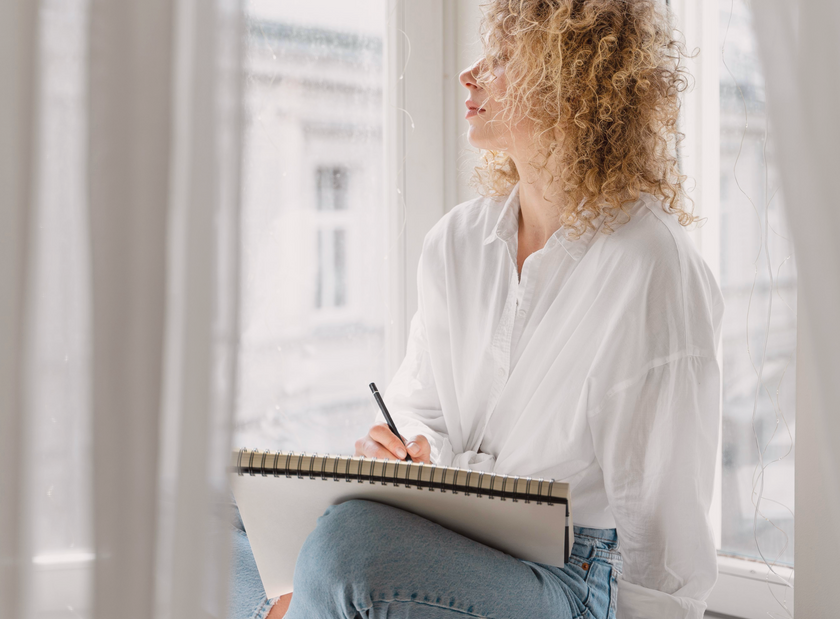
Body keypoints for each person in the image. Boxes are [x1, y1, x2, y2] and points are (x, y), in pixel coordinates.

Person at [229, 1, 723, 617]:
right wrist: (412, 451)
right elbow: (421, 410)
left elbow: (667, 539)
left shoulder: (653, 266)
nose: (469, 74)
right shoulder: (457, 242)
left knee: (346, 551)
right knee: (208, 525)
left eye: (503, 59)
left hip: (569, 575)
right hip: (451, 531)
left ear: (571, 80)